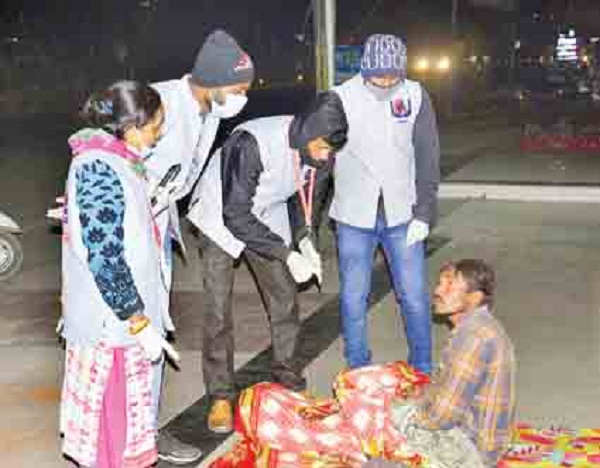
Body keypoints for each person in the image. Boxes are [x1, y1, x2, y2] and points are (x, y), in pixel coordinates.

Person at [186, 91, 348, 433]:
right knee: (218, 309)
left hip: (267, 211)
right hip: (219, 215)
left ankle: (288, 380)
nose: (325, 157)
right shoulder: (250, 143)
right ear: (307, 132)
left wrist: (306, 241)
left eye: (331, 151)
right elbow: (235, 214)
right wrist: (286, 254)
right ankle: (220, 395)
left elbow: (308, 204)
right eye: (321, 147)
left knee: (285, 298)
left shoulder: (323, 152)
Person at [145, 29, 254, 464]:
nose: (244, 97)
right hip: (132, 228)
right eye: (239, 89)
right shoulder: (157, 103)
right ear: (214, 79)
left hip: (157, 224)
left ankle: (143, 428)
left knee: (154, 332)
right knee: (138, 333)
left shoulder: (207, 110)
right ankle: (135, 435)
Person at [59, 80, 177, 468]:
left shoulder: (118, 158)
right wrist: (138, 321)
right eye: (155, 126)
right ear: (131, 126)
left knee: (123, 430)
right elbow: (106, 257)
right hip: (109, 327)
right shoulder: (96, 166)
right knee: (112, 431)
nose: (159, 134)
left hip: (121, 323)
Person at [330, 33, 440, 374]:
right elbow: (320, 155)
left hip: (403, 213)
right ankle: (357, 366)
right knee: (353, 297)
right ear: (365, 68)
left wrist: (424, 212)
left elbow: (428, 155)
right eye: (379, 76)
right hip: (353, 215)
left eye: (394, 76)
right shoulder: (340, 98)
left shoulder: (415, 95)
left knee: (414, 295)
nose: (387, 83)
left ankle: (422, 366)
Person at [395, 259, 516, 467]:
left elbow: (442, 416)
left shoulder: (473, 337)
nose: (438, 291)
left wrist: (404, 416)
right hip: (473, 435)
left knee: (374, 421)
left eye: (450, 285)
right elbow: (445, 389)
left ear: (474, 297)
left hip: (470, 451)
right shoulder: (477, 326)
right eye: (440, 283)